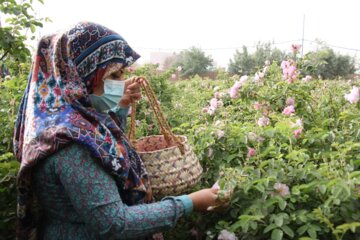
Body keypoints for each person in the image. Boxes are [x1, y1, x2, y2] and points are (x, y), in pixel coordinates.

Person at [13, 22, 221, 240]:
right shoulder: (72, 145)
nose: (121, 83)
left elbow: (107, 148)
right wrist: (190, 202)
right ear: (81, 75)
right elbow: (114, 223)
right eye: (113, 76)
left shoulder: (62, 120)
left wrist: (121, 105)